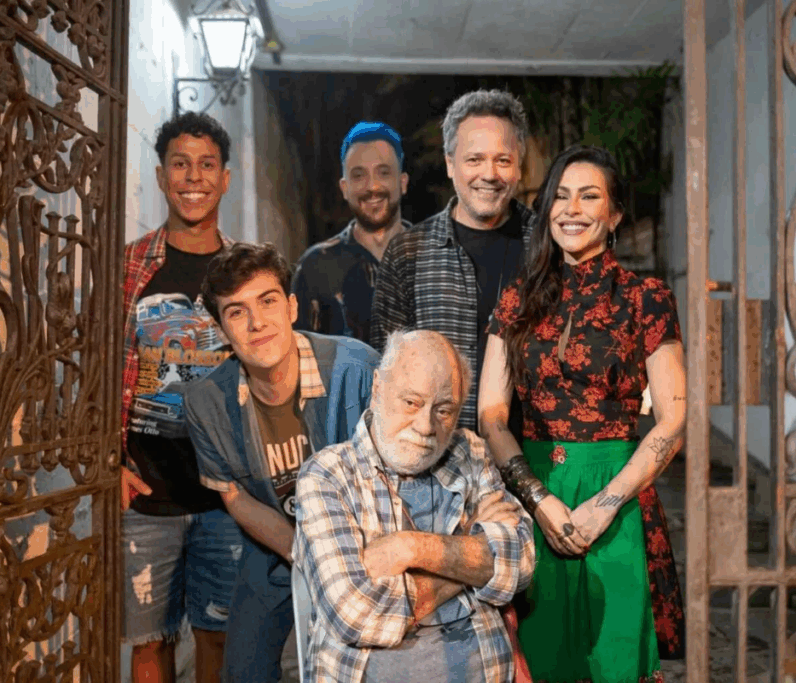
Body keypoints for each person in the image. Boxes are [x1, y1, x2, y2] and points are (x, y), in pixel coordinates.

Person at [477, 145, 687, 682]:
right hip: (534, 491)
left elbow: (673, 419)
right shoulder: (516, 300)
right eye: (561, 196)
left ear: (614, 214)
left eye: (589, 196)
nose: (572, 208)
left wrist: (606, 503)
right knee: (541, 659)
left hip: (617, 496)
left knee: (613, 659)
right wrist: (539, 497)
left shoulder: (647, 298)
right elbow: (493, 416)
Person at [184, 241, 380, 682]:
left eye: (267, 301)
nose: (257, 323)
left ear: (292, 307)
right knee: (244, 669)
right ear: (220, 330)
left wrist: (345, 564)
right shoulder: (206, 402)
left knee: (369, 660)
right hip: (275, 537)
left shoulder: (357, 368)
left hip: (364, 539)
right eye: (236, 312)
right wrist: (303, 553)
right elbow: (235, 497)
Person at [294, 329, 536, 683]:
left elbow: (522, 561)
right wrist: (470, 551)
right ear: (377, 388)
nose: (425, 426)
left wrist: (409, 548)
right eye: (411, 402)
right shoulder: (328, 474)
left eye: (444, 410)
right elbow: (355, 615)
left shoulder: (470, 451)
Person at [119, 111, 244, 683]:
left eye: (206, 164)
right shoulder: (128, 266)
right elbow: (94, 370)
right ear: (163, 174)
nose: (193, 176)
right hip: (146, 495)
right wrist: (108, 461)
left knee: (218, 638)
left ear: (224, 177)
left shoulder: (246, 271)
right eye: (180, 163)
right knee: (149, 646)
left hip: (228, 496)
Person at [370, 89, 532, 434]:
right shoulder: (408, 252)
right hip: (438, 460)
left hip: (536, 459)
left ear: (520, 165)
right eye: (474, 159)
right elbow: (385, 370)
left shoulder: (547, 244)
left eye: (503, 160)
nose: (489, 174)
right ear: (449, 163)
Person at [291, 121, 411, 340]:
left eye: (383, 173)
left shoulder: (435, 257)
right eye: (359, 176)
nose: (372, 187)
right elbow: (301, 355)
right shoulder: (316, 266)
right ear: (344, 188)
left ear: (402, 182)